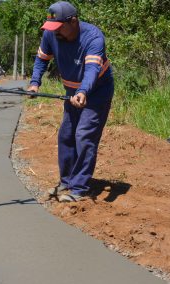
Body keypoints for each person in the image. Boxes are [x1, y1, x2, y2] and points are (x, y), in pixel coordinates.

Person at [28, 1, 114, 202]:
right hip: (72, 92)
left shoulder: (93, 37)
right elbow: (42, 59)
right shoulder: (51, 34)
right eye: (51, 28)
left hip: (97, 92)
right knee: (66, 135)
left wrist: (83, 91)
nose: (54, 32)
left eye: (58, 27)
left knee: (84, 135)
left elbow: (92, 69)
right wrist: (34, 83)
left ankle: (79, 188)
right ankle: (67, 181)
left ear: (73, 21)